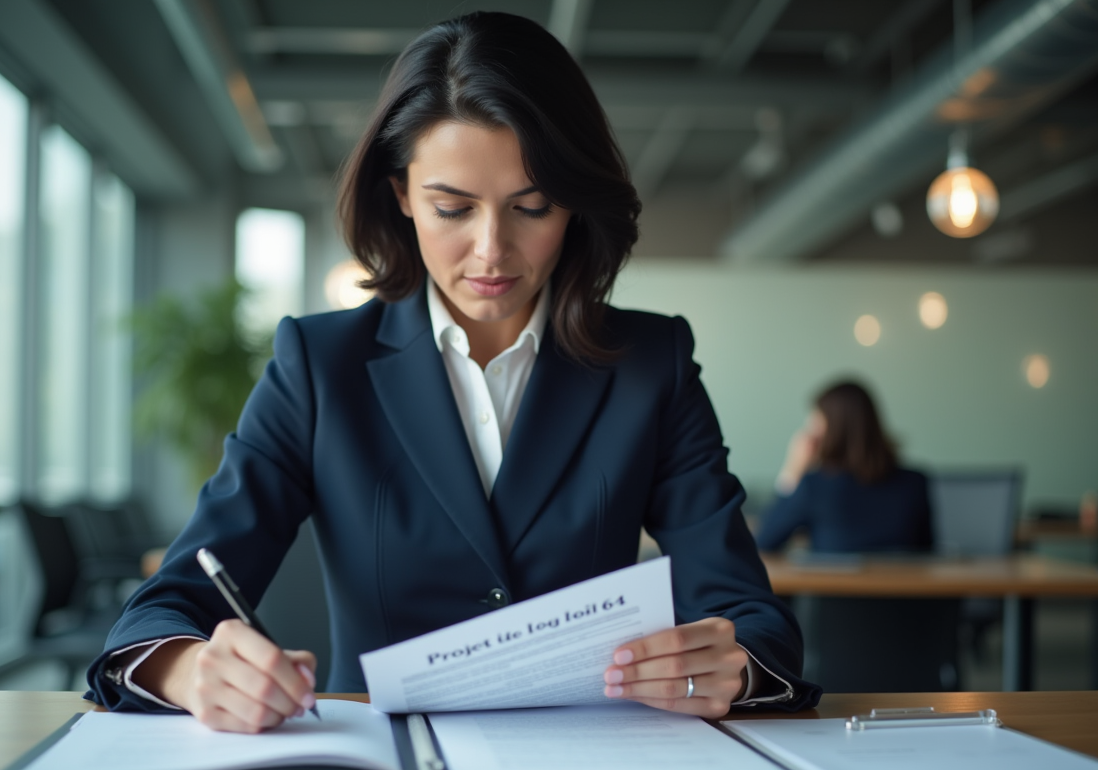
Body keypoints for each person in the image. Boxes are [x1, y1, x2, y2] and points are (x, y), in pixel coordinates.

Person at [85, 11, 819, 732]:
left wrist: (733, 664)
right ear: (401, 193)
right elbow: (163, 607)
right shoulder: (318, 367)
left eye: (531, 206)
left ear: (573, 205)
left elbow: (753, 620)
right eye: (452, 208)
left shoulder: (650, 365)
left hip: (590, 769)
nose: (492, 250)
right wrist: (190, 669)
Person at [755, 380, 933, 554]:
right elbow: (926, 552)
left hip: (830, 585)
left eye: (816, 421)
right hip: (903, 584)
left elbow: (764, 542)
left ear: (831, 428)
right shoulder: (916, 482)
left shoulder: (815, 486)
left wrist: (792, 470)